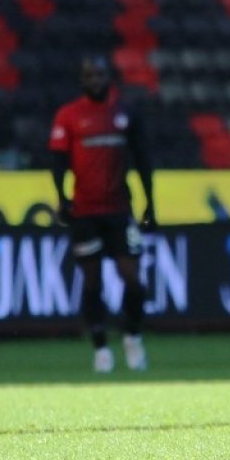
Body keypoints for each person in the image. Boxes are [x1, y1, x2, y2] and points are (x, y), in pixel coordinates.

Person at [49, 55, 156, 373]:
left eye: (99, 74)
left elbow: (143, 159)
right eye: (89, 75)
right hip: (85, 212)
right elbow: (58, 162)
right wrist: (62, 199)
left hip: (120, 210)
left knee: (133, 279)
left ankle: (132, 336)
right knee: (92, 281)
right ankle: (101, 348)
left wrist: (150, 203)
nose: (94, 80)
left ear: (109, 77)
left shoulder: (126, 113)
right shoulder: (69, 115)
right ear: (82, 80)